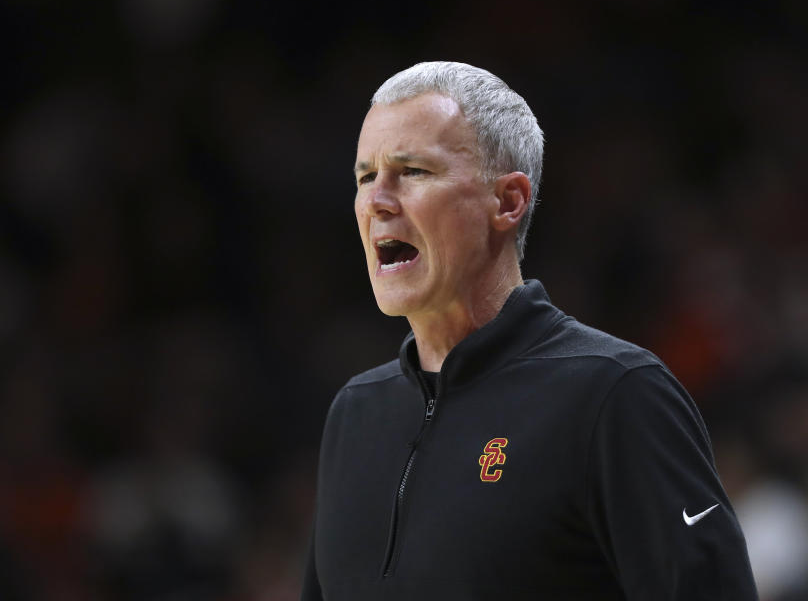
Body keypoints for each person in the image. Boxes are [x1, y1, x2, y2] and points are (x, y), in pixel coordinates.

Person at [301, 61, 757, 600]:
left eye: (414, 171)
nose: (378, 200)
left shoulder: (615, 393)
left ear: (509, 201)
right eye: (365, 176)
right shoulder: (355, 412)